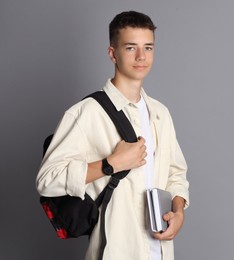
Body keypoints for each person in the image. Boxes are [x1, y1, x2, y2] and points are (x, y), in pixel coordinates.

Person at [36, 10, 189, 260]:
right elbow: (47, 179)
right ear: (112, 54)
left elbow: (176, 172)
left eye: (148, 48)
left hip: (160, 252)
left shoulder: (160, 113)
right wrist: (110, 165)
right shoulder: (86, 113)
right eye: (130, 48)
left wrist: (179, 212)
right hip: (114, 252)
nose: (141, 57)